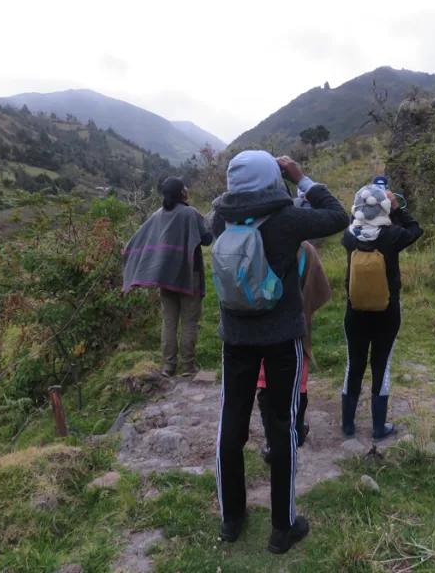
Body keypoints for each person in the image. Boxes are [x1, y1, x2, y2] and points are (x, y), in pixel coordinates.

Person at [211, 150, 348, 554]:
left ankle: (232, 520)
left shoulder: (221, 218)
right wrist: (300, 176)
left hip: (235, 338)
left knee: (230, 426)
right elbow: (337, 216)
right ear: (273, 178)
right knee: (282, 426)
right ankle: (282, 528)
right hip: (282, 338)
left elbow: (209, 227)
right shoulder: (287, 220)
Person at [340, 181, 423, 440]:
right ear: (385, 209)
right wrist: (396, 209)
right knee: (381, 366)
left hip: (355, 311)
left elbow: (356, 219)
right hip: (387, 311)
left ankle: (348, 425)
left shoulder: (348, 237)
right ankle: (378, 428)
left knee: (354, 365)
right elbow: (415, 229)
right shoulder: (392, 236)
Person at [122, 177, 213, 375]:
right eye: (185, 187)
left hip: (165, 278)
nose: (187, 189)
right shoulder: (190, 213)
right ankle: (188, 367)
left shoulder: (157, 215)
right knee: (189, 322)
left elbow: (138, 240)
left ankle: (168, 367)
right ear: (182, 193)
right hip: (190, 275)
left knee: (169, 323)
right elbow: (207, 239)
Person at [257, 239, 332, 464]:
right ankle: (296, 433)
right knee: (298, 381)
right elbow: (317, 288)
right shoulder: (305, 247)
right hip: (295, 326)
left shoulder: (256, 240)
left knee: (265, 383)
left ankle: (272, 443)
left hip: (262, 325)